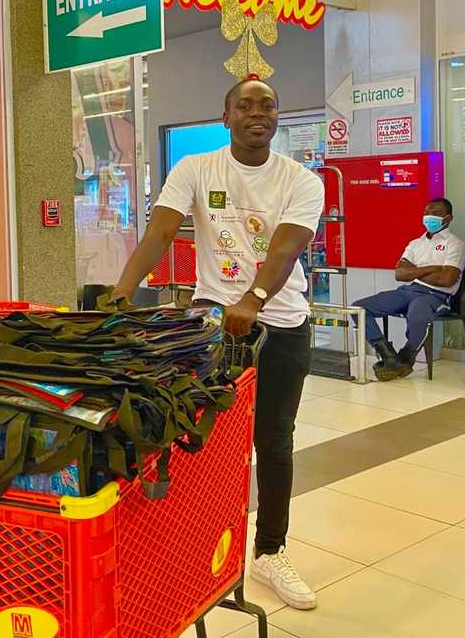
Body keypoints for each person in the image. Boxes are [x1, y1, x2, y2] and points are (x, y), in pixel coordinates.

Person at [112, 77, 323, 611]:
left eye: (268, 106)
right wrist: (120, 292)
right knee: (200, 438)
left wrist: (252, 298)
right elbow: (160, 233)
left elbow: (284, 249)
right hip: (211, 330)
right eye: (245, 106)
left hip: (282, 325)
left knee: (272, 442)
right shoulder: (196, 170)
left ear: (278, 117)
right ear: (225, 116)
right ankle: (196, 542)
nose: (258, 114)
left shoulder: (302, 181)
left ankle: (270, 550)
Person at [353, 198, 465, 382]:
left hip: (437, 296)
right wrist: (433, 268)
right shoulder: (416, 243)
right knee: (359, 308)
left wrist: (413, 271)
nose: (430, 217)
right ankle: (388, 355)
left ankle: (406, 358)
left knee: (418, 314)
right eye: (426, 213)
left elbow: (447, 279)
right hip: (407, 291)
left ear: (448, 218)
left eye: (436, 213)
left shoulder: (455, 244)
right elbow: (399, 274)